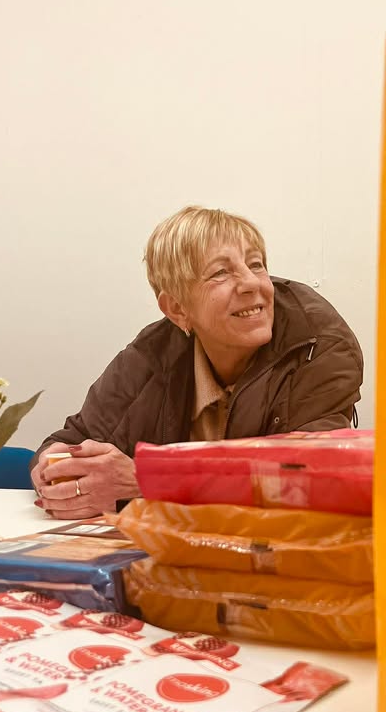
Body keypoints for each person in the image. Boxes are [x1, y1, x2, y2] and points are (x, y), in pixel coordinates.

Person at [31, 205, 364, 519]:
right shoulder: (151, 355)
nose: (252, 283)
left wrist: (146, 480)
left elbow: (306, 480)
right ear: (177, 309)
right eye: (221, 272)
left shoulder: (320, 346)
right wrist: (54, 470)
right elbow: (75, 439)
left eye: (257, 264)